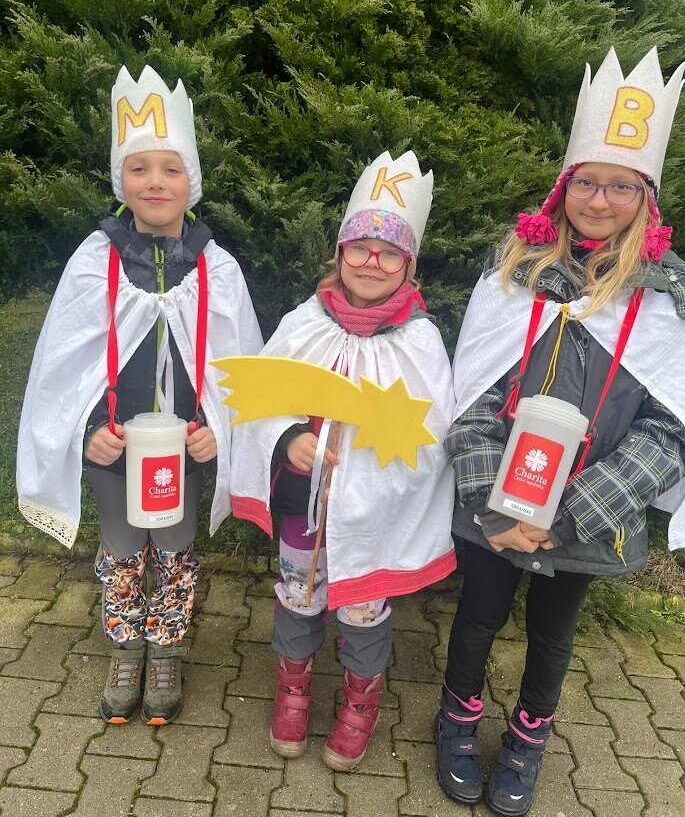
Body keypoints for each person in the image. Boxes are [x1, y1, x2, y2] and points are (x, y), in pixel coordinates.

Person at [435, 47, 685, 816]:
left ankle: (526, 741)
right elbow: (468, 393)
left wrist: (570, 513)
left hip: (587, 513)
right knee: (477, 614)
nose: (599, 199)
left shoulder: (665, 295)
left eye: (620, 185)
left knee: (552, 633)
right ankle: (456, 721)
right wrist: (497, 501)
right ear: (563, 186)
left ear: (643, 198)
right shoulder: (513, 269)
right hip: (496, 501)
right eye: (586, 181)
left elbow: (670, 429)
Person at [17, 65, 263, 726]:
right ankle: (127, 648)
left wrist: (218, 427)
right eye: (139, 168)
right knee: (123, 548)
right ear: (119, 179)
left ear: (192, 181)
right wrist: (87, 429)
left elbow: (238, 363)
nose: (155, 181)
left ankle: (168, 651)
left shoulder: (217, 267)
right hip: (115, 445)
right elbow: (65, 362)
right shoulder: (94, 261)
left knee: (176, 547)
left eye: (170, 169)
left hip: (182, 447)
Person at [229, 150, 456, 770]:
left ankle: (361, 700)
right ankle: (293, 689)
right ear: (339, 253)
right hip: (303, 504)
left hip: (372, 512)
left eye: (389, 252)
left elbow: (433, 432)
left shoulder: (420, 339)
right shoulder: (305, 322)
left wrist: (369, 473)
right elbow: (260, 396)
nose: (372, 262)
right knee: (298, 591)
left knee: (363, 606)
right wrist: (287, 438)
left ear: (409, 265)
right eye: (360, 247)